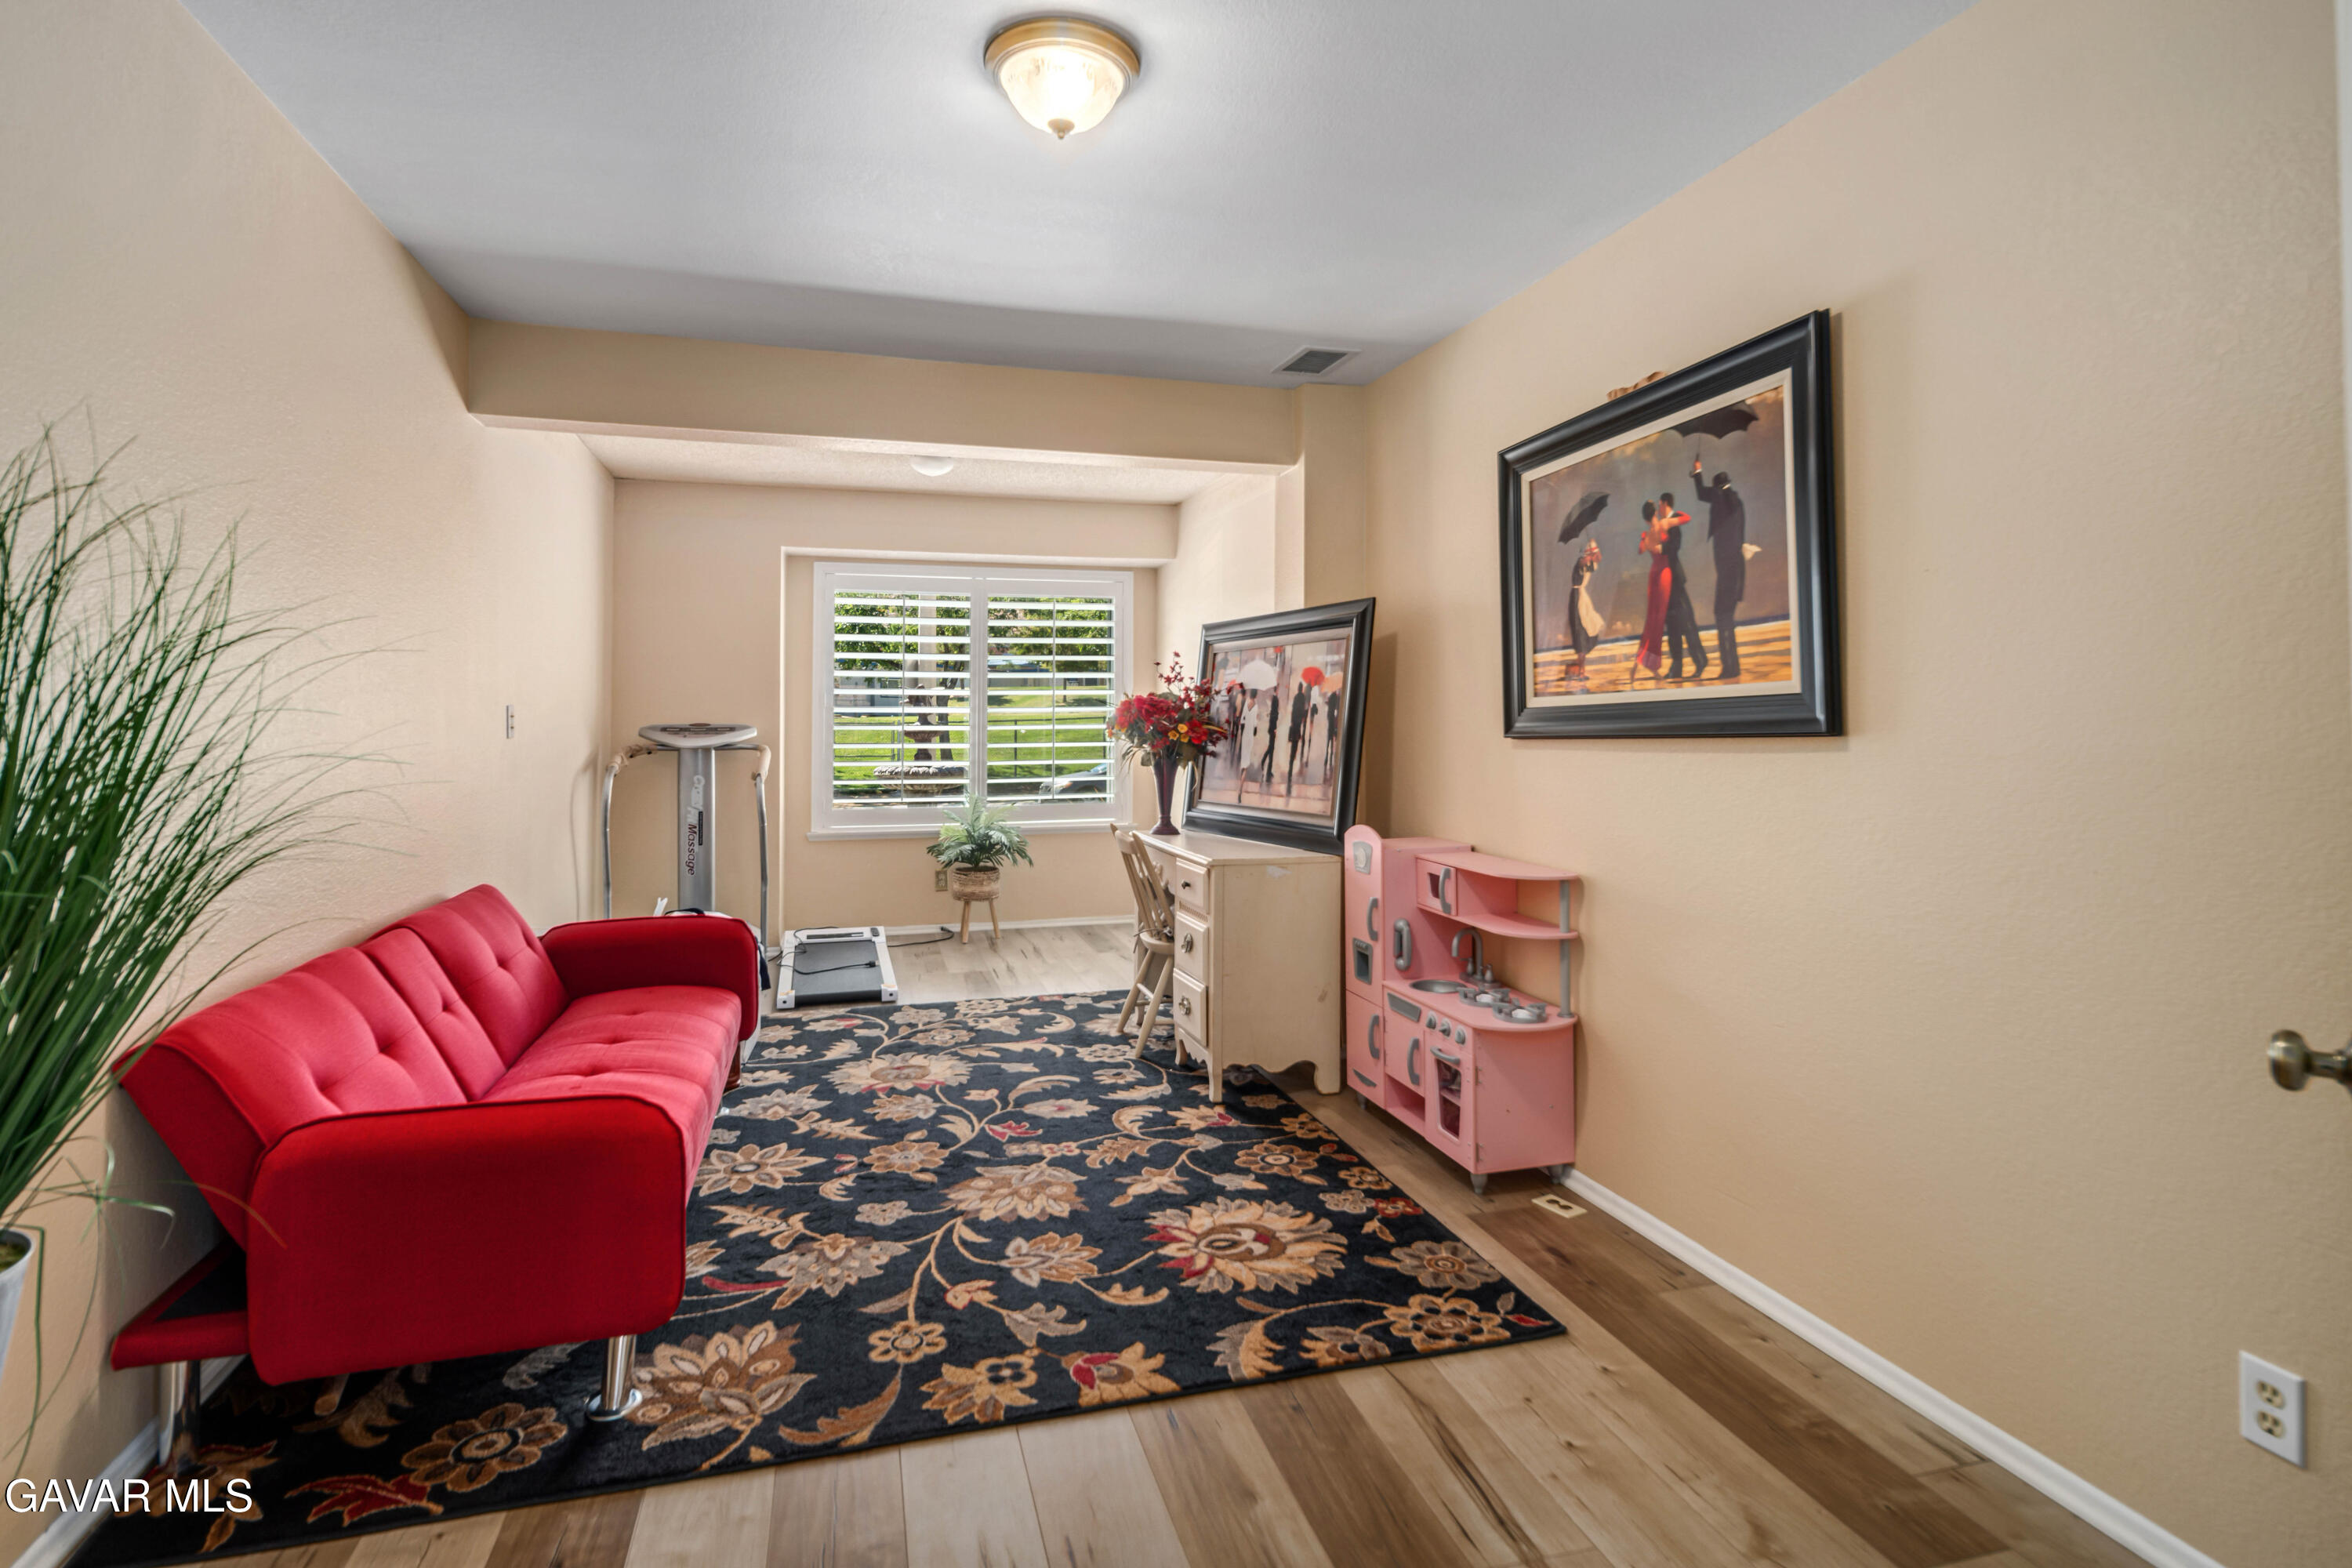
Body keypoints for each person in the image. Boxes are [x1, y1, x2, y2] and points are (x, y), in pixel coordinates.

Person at [1693, 460, 1745, 678]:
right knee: (1727, 619)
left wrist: (1697, 471)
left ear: (1717, 488)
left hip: (1726, 571)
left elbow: (1702, 493)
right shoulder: (1737, 501)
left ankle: (1728, 668)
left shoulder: (1720, 498)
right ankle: (1733, 667)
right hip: (1737, 569)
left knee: (1721, 617)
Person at [1657, 491, 1707, 680]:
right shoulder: (1663, 523)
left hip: (1675, 580)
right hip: (1666, 580)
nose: (1659, 509)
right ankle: (1677, 667)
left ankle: (1700, 661)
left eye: (1661, 505)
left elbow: (1675, 546)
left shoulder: (1675, 520)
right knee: (1673, 626)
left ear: (1665, 503)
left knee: (1686, 623)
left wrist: (1660, 548)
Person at [1634, 502, 1668, 678]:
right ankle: (1650, 664)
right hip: (1663, 575)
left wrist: (1645, 541)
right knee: (1658, 620)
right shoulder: (1663, 526)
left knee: (1653, 620)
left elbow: (1641, 550)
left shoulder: (1646, 534)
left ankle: (1641, 661)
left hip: (1654, 574)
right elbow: (1686, 518)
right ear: (1655, 511)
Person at [1566, 539, 1602, 673]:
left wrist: (1595, 549)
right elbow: (1583, 562)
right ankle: (1581, 670)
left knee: (1586, 627)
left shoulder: (1589, 564)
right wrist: (1589, 554)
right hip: (1577, 597)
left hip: (1582, 597)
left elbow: (1598, 559)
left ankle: (1581, 668)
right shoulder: (1581, 562)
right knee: (1579, 628)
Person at [1283, 678, 1311, 793]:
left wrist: (1291, 720)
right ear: (1302, 689)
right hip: (1299, 721)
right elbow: (1304, 709)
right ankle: (1294, 753)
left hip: (1294, 721)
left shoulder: (1295, 697)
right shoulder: (1303, 698)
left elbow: (1294, 709)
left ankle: (1292, 754)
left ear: (1297, 688)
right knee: (1297, 737)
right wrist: (1304, 717)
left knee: (1294, 735)